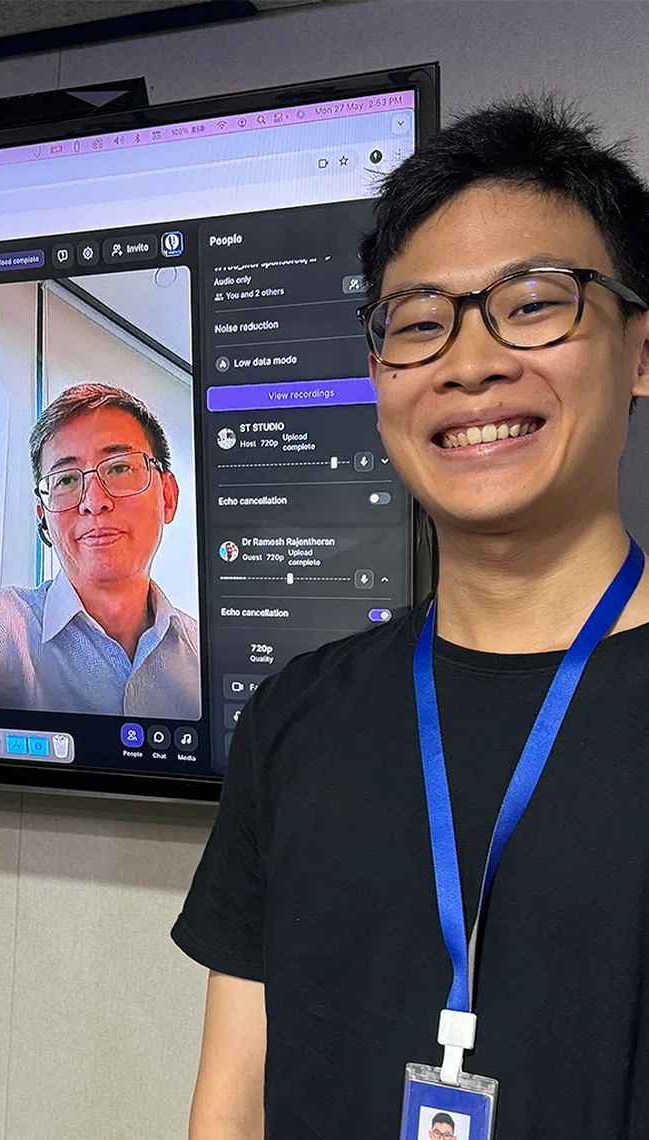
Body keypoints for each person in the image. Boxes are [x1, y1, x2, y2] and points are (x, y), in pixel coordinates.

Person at [173, 97, 649, 1139]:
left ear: (641, 350)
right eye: (420, 322)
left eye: (531, 304)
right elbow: (232, 1101)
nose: (468, 363)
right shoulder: (296, 720)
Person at [0, 383, 200, 718]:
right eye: (66, 480)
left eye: (119, 467)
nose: (94, 502)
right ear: (45, 518)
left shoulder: (207, 659)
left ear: (167, 496)